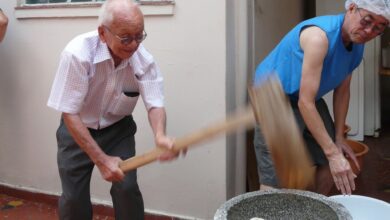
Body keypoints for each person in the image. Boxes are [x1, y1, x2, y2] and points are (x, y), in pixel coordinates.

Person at [47, 0, 183, 219]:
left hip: (118, 131)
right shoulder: (78, 54)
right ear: (103, 33)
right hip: (77, 130)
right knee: (73, 200)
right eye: (125, 38)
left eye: (139, 36)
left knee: (127, 189)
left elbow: (155, 102)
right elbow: (69, 113)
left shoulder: (143, 59)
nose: (133, 45)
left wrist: (160, 136)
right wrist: (101, 160)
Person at [253, 0, 390, 195]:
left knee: (331, 158)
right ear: (351, 8)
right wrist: (333, 153)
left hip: (307, 96)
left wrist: (339, 138)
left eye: (379, 28)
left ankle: (314, 209)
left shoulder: (357, 42)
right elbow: (305, 103)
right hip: (274, 95)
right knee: (276, 173)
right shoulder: (319, 37)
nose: (369, 31)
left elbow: (343, 90)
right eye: (367, 21)